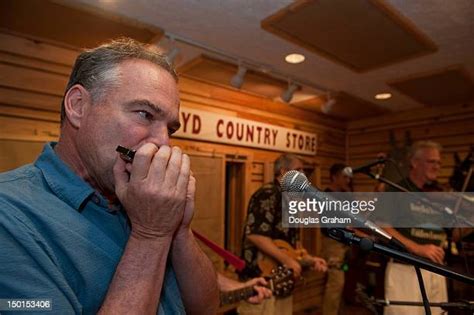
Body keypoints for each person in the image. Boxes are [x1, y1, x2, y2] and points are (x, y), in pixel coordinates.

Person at [0, 38, 219, 314]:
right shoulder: (9, 214)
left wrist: (180, 229)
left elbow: (207, 307)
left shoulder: (141, 198)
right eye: (145, 114)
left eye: (170, 129)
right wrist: (151, 235)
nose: (164, 144)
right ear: (78, 106)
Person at [238, 153, 327, 315]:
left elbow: (290, 246)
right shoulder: (268, 194)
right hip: (261, 282)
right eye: (298, 170)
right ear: (284, 172)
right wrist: (287, 260)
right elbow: (255, 235)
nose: (304, 174)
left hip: (283, 283)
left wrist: (309, 260)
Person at [381, 140, 448, 315]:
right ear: (414, 163)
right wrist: (417, 248)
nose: (437, 166)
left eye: (439, 162)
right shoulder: (396, 190)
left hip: (436, 268)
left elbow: (450, 233)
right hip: (405, 271)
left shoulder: (438, 193)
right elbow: (382, 226)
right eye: (431, 161)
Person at [321, 163, 351, 315]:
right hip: (333, 244)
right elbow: (327, 226)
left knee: (340, 283)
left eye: (348, 177)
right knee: (335, 283)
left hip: (344, 244)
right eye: (344, 177)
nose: (348, 180)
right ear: (334, 177)